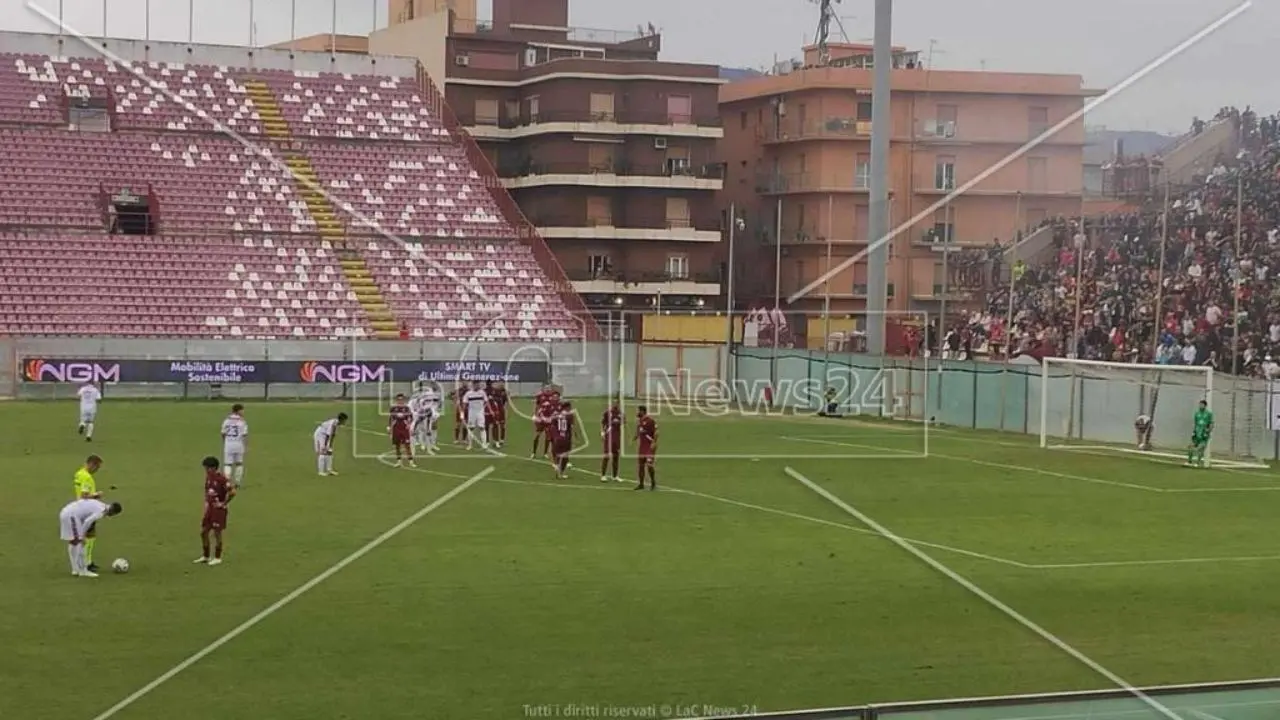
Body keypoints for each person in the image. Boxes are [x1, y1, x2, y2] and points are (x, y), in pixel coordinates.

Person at [58, 497, 122, 578]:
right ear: (113, 512)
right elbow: (87, 521)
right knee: (81, 543)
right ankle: (83, 570)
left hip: (66, 512)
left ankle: (75, 569)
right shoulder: (101, 511)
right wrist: (82, 535)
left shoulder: (101, 504)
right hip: (71, 516)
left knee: (74, 542)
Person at [194, 456, 236, 566]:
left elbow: (232, 492)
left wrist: (224, 503)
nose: (206, 471)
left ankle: (217, 557)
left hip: (219, 510)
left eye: (207, 468)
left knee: (217, 533)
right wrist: (206, 505)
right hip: (210, 509)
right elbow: (207, 493)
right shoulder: (208, 478)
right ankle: (206, 556)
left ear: (213, 468)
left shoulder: (221, 479)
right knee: (203, 532)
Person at [73, 455, 105, 571]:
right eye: (97, 468)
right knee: (89, 538)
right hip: (87, 510)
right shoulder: (87, 477)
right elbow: (84, 495)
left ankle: (83, 562)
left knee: (82, 538)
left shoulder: (79, 473)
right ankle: (87, 563)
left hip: (78, 508)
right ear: (92, 464)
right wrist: (97, 495)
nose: (96, 471)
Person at [220, 403, 249, 488]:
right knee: (239, 463)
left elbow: (223, 433)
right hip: (239, 444)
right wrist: (246, 445)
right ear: (238, 411)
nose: (243, 412)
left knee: (228, 464)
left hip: (228, 444)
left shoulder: (226, 421)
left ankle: (227, 482)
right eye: (242, 410)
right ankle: (237, 482)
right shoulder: (242, 422)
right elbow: (244, 435)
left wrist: (225, 441)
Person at [411, 382, 440, 455]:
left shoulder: (435, 396)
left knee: (429, 431)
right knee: (420, 430)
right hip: (420, 415)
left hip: (429, 415)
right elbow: (416, 407)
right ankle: (422, 444)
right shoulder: (418, 399)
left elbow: (435, 405)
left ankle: (429, 448)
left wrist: (435, 413)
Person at [550, 401, 577, 480]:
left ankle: (558, 470)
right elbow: (572, 427)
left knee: (558, 455)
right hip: (566, 438)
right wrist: (575, 438)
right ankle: (561, 473)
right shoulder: (570, 415)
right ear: (567, 407)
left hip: (558, 438)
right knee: (565, 456)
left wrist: (555, 436)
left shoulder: (556, 415)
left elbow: (553, 426)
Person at [388, 393, 416, 467]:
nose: (400, 401)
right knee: (397, 445)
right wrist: (389, 428)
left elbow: (411, 417)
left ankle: (411, 461)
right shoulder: (393, 408)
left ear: (403, 400)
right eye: (399, 399)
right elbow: (391, 418)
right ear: (397, 400)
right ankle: (399, 461)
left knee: (407, 445)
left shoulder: (406, 408)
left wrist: (409, 425)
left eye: (401, 399)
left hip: (404, 428)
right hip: (396, 428)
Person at [634, 405, 658, 491]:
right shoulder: (639, 422)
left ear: (642, 411)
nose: (637, 413)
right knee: (641, 465)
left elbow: (656, 432)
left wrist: (654, 443)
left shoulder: (650, 421)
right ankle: (641, 484)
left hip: (649, 447)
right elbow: (638, 432)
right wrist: (634, 437)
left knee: (649, 465)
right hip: (642, 447)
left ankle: (653, 482)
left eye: (638, 411)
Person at [600, 399, 624, 482]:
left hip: (617, 438)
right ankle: (603, 475)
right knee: (606, 456)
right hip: (609, 436)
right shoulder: (607, 413)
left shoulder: (621, 413)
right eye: (614, 403)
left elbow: (623, 422)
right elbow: (603, 422)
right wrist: (602, 432)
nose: (615, 404)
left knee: (616, 457)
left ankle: (615, 476)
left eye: (617, 403)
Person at [1186, 400, 1214, 468]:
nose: (1200, 406)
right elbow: (1195, 423)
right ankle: (1189, 461)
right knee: (1190, 446)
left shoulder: (1209, 414)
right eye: (1200, 404)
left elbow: (1211, 424)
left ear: (1205, 405)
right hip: (1196, 433)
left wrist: (1208, 432)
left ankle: (1197, 463)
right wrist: (1193, 432)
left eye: (1202, 404)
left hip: (1203, 434)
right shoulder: (1197, 413)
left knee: (1200, 448)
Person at [462, 380, 489, 450]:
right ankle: (470, 445)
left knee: (482, 427)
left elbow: (486, 401)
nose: (477, 386)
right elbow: (464, 403)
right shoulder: (468, 393)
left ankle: (484, 444)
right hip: (471, 413)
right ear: (473, 385)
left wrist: (483, 408)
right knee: (471, 428)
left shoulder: (482, 392)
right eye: (476, 384)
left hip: (480, 412)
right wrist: (462, 412)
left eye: (478, 384)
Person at [487, 380, 509, 449]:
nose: (501, 384)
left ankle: (501, 440)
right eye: (500, 382)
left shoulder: (505, 392)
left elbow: (506, 402)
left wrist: (506, 410)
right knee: (495, 425)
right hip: (496, 411)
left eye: (503, 383)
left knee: (502, 425)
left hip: (502, 411)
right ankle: (495, 441)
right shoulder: (494, 391)